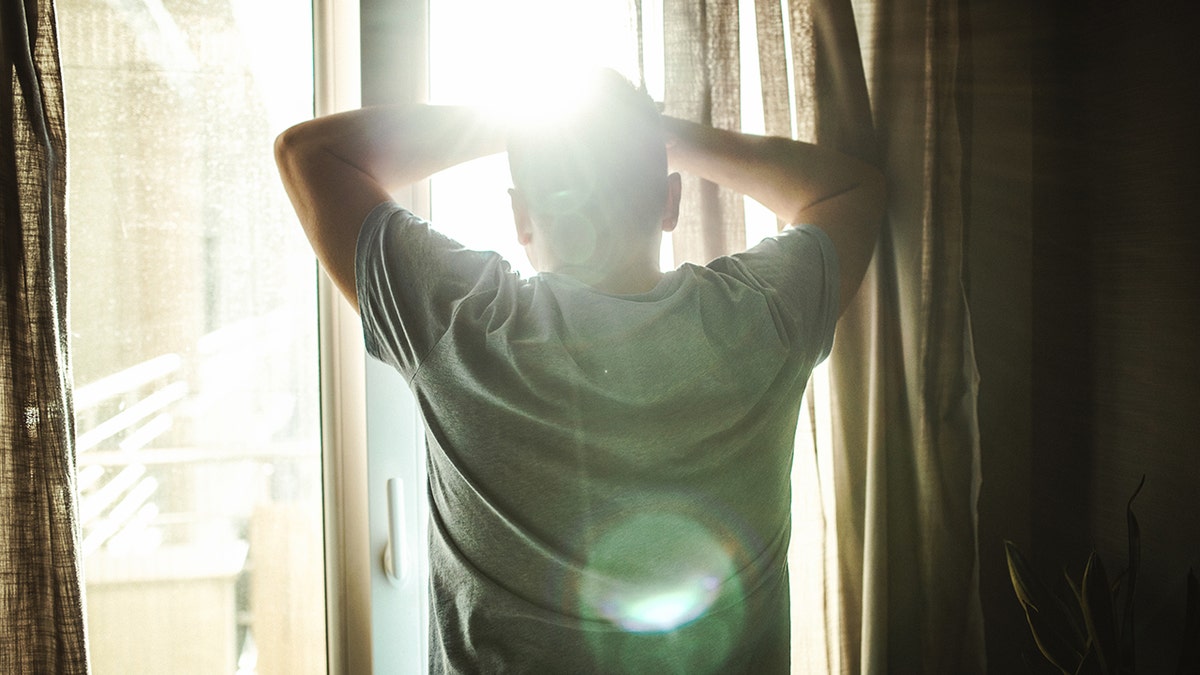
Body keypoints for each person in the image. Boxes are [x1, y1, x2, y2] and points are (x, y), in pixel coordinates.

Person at [275, 69, 884, 674]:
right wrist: (661, 134)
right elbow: (849, 189)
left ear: (521, 216)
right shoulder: (761, 320)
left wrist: (513, 124)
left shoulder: (459, 323)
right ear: (671, 201)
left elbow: (308, 154)